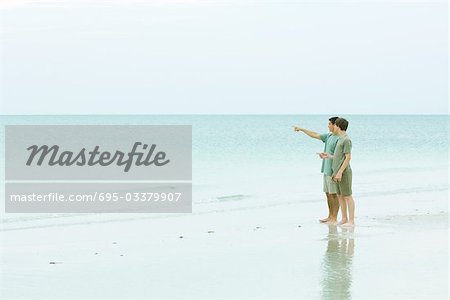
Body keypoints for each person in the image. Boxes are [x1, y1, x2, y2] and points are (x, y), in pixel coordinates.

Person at [293, 117, 340, 224]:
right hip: (326, 169)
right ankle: (330, 216)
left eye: (329, 124)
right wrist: (301, 129)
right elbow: (314, 134)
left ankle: (334, 218)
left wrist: (337, 172)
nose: (328, 126)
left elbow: (340, 156)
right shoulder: (329, 136)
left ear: (335, 125)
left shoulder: (339, 138)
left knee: (334, 194)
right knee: (328, 194)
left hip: (333, 170)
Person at [321, 117, 355, 227]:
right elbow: (338, 157)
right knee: (340, 195)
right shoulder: (340, 139)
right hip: (337, 172)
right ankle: (344, 218)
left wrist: (340, 172)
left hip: (344, 172)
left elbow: (348, 158)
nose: (333, 126)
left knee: (348, 196)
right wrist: (328, 156)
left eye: (335, 125)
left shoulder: (346, 140)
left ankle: (351, 221)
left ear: (338, 126)